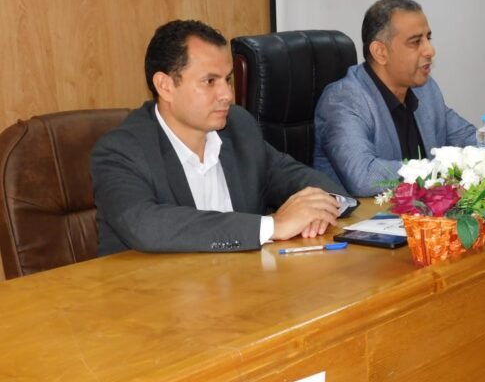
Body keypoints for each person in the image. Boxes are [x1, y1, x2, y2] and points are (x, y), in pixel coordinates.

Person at [92, 20, 349, 256]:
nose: (227, 95)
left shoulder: (238, 126)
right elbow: (146, 225)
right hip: (151, 288)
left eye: (227, 80)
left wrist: (321, 206)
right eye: (210, 81)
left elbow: (295, 176)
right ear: (165, 86)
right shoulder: (121, 151)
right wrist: (272, 226)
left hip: (240, 282)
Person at [313, 0, 476, 197]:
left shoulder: (425, 89)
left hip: (419, 211)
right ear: (380, 52)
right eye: (416, 42)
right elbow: (363, 177)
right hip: (363, 215)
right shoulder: (344, 99)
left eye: (428, 38)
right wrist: (440, 170)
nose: (430, 51)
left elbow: (467, 137)